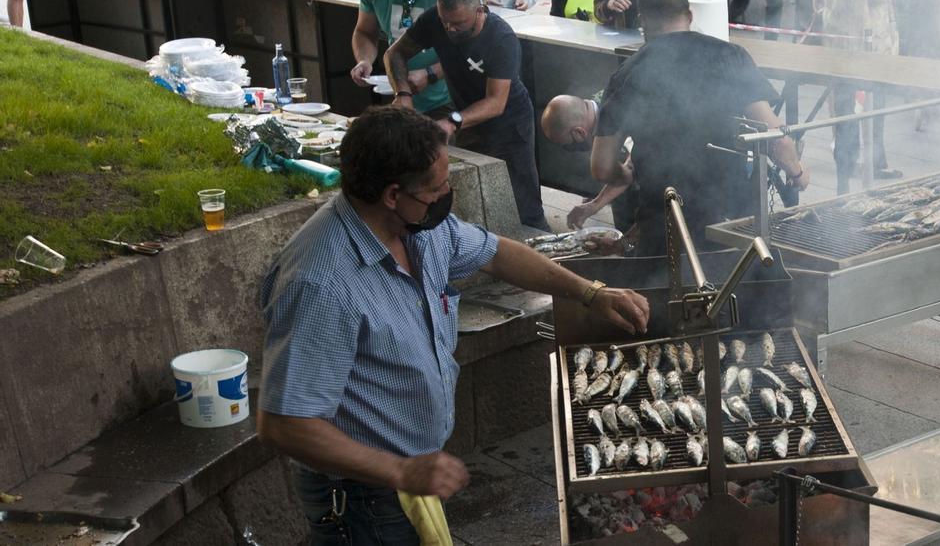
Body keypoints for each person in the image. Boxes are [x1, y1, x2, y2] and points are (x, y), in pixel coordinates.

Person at [258, 107, 649, 544]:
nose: (448, 194)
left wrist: (590, 292)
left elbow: (498, 252)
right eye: (438, 187)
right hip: (362, 493)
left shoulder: (419, 225)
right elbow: (285, 424)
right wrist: (401, 470)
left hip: (408, 475)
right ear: (392, 194)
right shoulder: (322, 283)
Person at [591, 0, 809, 256]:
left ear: (642, 20)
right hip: (726, 221)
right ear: (690, 15)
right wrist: (798, 173)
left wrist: (623, 173)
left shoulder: (627, 73)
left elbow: (600, 167)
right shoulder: (730, 56)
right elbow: (775, 137)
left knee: (663, 292)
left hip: (662, 223)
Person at [383, 0, 550, 230]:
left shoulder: (501, 38)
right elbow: (394, 53)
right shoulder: (436, 21)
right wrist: (403, 94)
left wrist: (453, 121)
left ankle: (544, 255)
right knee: (476, 198)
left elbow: (496, 102)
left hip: (509, 123)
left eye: (458, 24)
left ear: (479, 10)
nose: (449, 29)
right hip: (467, 120)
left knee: (524, 206)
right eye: (445, 22)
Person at [814, 0, 902, 194]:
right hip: (868, 42)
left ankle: (844, 168)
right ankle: (875, 160)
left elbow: (818, 0)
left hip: (837, 40)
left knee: (843, 105)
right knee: (875, 102)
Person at [351, 0, 466, 115]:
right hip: (402, 95)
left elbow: (470, 48)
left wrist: (431, 74)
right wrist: (364, 60)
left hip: (449, 97)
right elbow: (365, 31)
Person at [541, 93, 636, 231]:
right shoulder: (590, 111)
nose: (569, 149)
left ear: (579, 133)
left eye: (568, 145)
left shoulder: (619, 114)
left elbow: (632, 169)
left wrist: (596, 204)